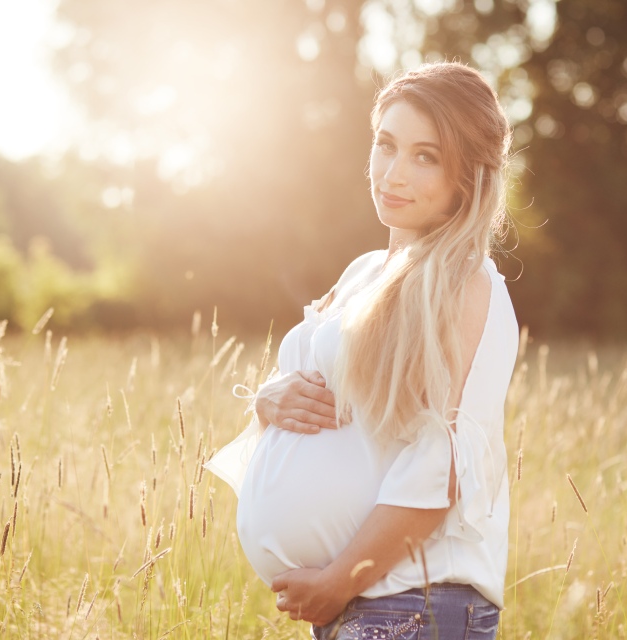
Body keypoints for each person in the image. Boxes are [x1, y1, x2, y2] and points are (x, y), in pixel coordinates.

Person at [207, 61, 519, 639]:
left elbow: (441, 467)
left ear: (468, 177)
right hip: (368, 606)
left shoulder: (465, 283)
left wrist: (338, 583)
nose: (393, 173)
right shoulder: (366, 272)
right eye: (385, 145)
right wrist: (269, 401)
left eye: (425, 157)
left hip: (410, 605)